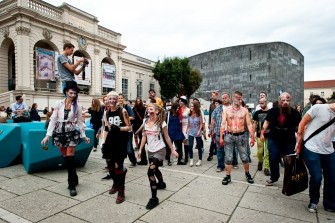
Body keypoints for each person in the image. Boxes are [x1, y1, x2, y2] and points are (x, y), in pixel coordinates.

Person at [41, 81, 90, 197]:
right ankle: (75, 176)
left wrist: (84, 135)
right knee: (66, 158)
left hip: (71, 132)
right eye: (71, 93)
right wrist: (48, 135)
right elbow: (53, 119)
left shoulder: (77, 106)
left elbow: (79, 122)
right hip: (59, 133)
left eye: (75, 93)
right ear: (66, 92)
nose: (73, 95)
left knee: (70, 157)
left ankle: (71, 184)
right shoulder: (59, 103)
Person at [137, 103, 179, 209]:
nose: (148, 110)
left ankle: (154, 198)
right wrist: (140, 149)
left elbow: (167, 137)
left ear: (156, 111)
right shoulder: (145, 121)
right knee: (155, 170)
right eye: (148, 109)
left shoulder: (161, 123)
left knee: (150, 171)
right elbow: (144, 137)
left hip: (160, 150)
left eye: (151, 109)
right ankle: (161, 183)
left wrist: (173, 150)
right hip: (150, 151)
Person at [295, 102, 335, 213]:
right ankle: (314, 201)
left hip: (329, 150)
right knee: (317, 177)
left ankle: (330, 203)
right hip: (312, 148)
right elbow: (302, 124)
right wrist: (299, 143)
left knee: (332, 178)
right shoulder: (318, 108)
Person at [260, 92, 301, 186]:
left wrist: (299, 142)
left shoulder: (295, 113)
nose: (285, 102)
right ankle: (274, 177)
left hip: (289, 141)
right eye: (283, 100)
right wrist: (262, 133)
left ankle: (289, 179)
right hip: (274, 140)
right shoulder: (273, 111)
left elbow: (300, 128)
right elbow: (266, 123)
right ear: (279, 101)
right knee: (273, 159)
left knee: (289, 161)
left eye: (287, 100)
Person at [101, 91, 131, 204]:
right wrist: (103, 142)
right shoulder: (106, 113)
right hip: (110, 141)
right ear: (107, 100)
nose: (112, 100)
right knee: (110, 165)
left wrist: (118, 128)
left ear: (117, 99)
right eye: (110, 99)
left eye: (114, 98)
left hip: (121, 141)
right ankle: (115, 183)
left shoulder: (122, 111)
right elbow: (106, 129)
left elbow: (129, 127)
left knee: (119, 166)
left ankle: (121, 191)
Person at [220, 91, 255, 185]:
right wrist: (221, 137)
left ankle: (247, 174)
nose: (238, 99)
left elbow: (249, 124)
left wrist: (252, 137)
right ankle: (227, 176)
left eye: (240, 98)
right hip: (229, 135)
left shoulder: (244, 110)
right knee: (228, 157)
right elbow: (223, 124)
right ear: (232, 98)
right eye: (236, 97)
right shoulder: (227, 110)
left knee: (244, 156)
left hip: (241, 136)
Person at [210, 92, 230, 172]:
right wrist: (212, 131)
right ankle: (220, 165)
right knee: (219, 150)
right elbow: (213, 121)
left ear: (229, 98)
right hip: (218, 132)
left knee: (229, 150)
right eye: (223, 98)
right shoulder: (217, 109)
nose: (224, 99)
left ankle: (229, 164)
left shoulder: (233, 108)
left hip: (230, 133)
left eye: (225, 98)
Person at [118, 93, 137, 168]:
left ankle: (133, 161)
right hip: (120, 130)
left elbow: (133, 117)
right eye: (119, 98)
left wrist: (124, 118)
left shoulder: (127, 107)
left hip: (128, 130)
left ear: (124, 99)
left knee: (129, 148)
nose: (120, 99)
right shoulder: (116, 107)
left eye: (121, 98)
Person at [253, 98, 270, 176]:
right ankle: (260, 161)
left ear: (266, 103)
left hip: (269, 135)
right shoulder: (257, 112)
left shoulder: (271, 112)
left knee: (268, 152)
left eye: (262, 103)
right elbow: (254, 123)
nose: (261, 105)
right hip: (259, 135)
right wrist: (252, 133)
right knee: (260, 152)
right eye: (260, 103)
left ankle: (266, 167)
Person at [186, 101, 204, 166]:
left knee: (199, 146)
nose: (191, 107)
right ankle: (191, 159)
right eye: (190, 106)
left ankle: (200, 160)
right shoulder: (189, 114)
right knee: (190, 146)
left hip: (197, 132)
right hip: (191, 132)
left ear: (195, 107)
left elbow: (201, 123)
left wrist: (200, 130)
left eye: (192, 106)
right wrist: (187, 129)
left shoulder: (199, 114)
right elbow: (188, 123)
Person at [133, 97, 148, 165]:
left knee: (142, 144)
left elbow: (145, 118)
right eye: (137, 101)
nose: (138, 102)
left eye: (139, 101)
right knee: (140, 142)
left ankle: (144, 160)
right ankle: (144, 160)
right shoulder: (134, 109)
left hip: (143, 126)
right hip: (136, 126)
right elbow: (133, 118)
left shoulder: (144, 109)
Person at [179, 96, 190, 164]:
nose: (180, 102)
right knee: (180, 142)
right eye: (179, 101)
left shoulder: (188, 110)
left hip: (186, 126)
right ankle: (181, 156)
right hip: (180, 126)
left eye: (181, 101)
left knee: (186, 141)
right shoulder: (178, 109)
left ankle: (186, 157)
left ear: (184, 102)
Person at [208, 91, 219, 161]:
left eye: (213, 95)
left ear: (217, 96)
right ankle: (210, 154)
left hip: (219, 125)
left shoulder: (219, 104)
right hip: (213, 125)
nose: (212, 97)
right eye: (212, 95)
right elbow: (210, 115)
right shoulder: (211, 105)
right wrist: (209, 124)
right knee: (212, 140)